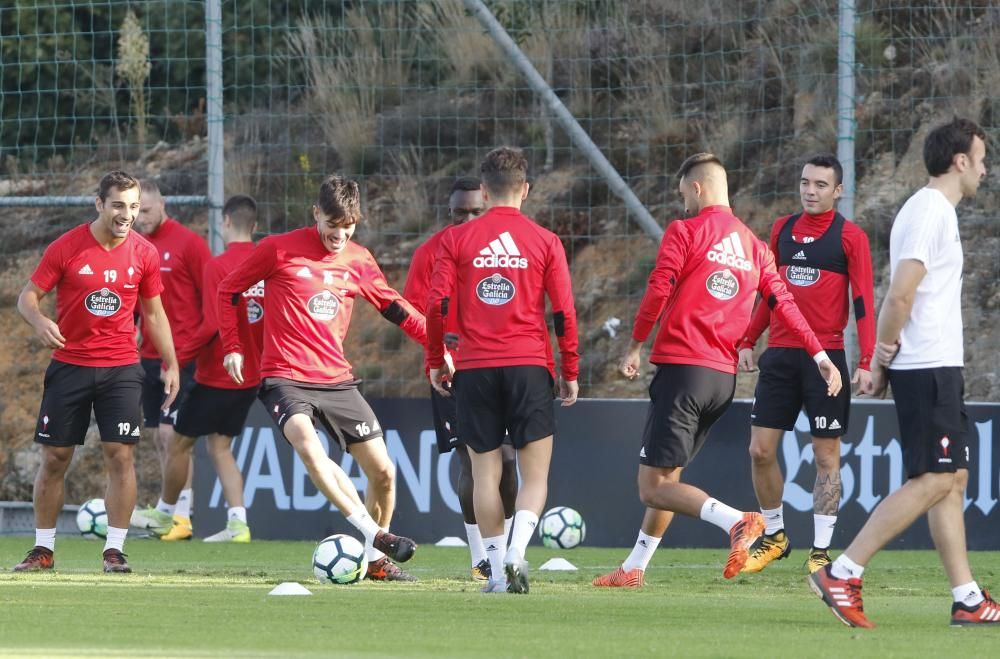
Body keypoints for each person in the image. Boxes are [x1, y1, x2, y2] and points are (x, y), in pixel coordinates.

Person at [592, 153, 841, 589]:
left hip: (684, 370)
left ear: (697, 189)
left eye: (682, 193)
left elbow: (658, 288)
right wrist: (820, 355)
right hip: (721, 381)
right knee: (669, 479)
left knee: (651, 486)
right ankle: (634, 568)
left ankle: (738, 522)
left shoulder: (685, 230)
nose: (682, 203)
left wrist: (635, 344)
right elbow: (785, 304)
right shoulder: (754, 246)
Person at [810, 118, 1000, 628]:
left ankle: (967, 598)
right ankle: (844, 571)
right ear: (960, 161)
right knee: (934, 477)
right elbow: (899, 292)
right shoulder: (929, 210)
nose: (984, 168)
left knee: (952, 479)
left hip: (936, 366)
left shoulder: (934, 210)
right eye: (980, 158)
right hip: (926, 368)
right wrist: (880, 356)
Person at [216, 175, 422, 581]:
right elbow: (228, 290)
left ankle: (374, 562)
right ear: (316, 215)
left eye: (348, 227)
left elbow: (396, 308)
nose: (339, 235)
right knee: (309, 447)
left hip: (337, 380)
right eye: (332, 225)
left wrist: (440, 347)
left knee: (384, 472)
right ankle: (376, 537)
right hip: (284, 376)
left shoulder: (359, 259)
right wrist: (233, 346)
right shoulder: (277, 249)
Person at [426, 147, 580, 595]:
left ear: (485, 189)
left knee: (485, 474)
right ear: (525, 190)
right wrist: (569, 366)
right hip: (530, 365)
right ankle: (518, 551)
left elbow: (437, 307)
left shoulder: (456, 240)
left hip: (474, 368)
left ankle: (494, 573)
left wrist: (437, 359)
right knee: (535, 477)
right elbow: (564, 313)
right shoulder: (545, 241)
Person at [12, 171, 180, 574]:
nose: (128, 214)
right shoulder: (67, 247)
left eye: (134, 206)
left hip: (121, 368)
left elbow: (154, 313)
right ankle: (43, 550)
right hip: (70, 367)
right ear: (99, 204)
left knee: (120, 457)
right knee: (54, 457)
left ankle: (115, 551)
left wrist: (171, 362)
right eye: (119, 205)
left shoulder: (144, 253)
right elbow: (27, 297)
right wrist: (39, 323)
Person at [735, 153, 875, 575]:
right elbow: (769, 291)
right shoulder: (782, 229)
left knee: (825, 454)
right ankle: (776, 535)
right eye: (805, 183)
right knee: (760, 451)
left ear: (838, 191)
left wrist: (866, 359)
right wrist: (747, 338)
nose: (810, 191)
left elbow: (864, 302)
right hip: (779, 355)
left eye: (819, 185)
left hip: (827, 360)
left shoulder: (851, 238)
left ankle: (821, 551)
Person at [403, 176, 517, 581]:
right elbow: (414, 312)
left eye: (475, 211)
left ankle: (508, 550)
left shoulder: (504, 249)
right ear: (448, 212)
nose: (467, 218)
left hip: (499, 366)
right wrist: (442, 352)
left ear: (487, 205)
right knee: (472, 461)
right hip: (450, 373)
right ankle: (481, 558)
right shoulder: (430, 253)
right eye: (459, 212)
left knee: (507, 462)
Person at [134, 195, 263, 542]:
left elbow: (210, 324)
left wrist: (174, 361)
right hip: (250, 377)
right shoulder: (267, 265)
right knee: (220, 448)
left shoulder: (217, 265)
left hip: (216, 375)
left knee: (177, 445)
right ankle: (238, 524)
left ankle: (166, 515)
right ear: (255, 227)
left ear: (223, 224)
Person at [131, 179, 211, 541]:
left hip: (180, 358)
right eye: (136, 211)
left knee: (172, 435)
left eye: (145, 210)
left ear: (161, 204)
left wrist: (190, 350)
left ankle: (182, 514)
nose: (140, 218)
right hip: (146, 356)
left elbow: (210, 299)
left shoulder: (190, 244)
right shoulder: (134, 245)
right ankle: (169, 511)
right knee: (157, 437)